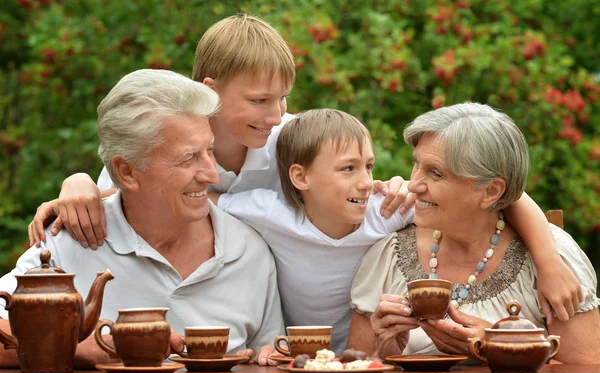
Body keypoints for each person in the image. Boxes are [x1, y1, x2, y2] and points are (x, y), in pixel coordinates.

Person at [27, 14, 412, 252]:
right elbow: (124, 195)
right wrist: (78, 186)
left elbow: (350, 184)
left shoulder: (293, 137)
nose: (276, 115)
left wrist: (389, 190)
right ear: (211, 89)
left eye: (283, 98)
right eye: (260, 100)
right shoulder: (167, 136)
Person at [0, 69, 284, 369]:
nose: (212, 175)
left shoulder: (249, 251)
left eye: (209, 151)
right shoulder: (69, 240)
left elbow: (271, 357)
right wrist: (78, 345)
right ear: (127, 172)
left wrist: (271, 361)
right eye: (188, 158)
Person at [347, 103, 600, 363]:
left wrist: (497, 350)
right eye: (417, 164)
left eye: (435, 173)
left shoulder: (550, 261)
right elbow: (357, 370)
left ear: (491, 191)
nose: (414, 184)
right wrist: (386, 349)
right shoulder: (387, 256)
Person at [208, 109, 415, 353]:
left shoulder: (385, 211)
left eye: (368, 166)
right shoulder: (270, 213)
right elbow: (205, 200)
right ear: (301, 176)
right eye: (348, 168)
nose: (366, 183)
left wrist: (410, 187)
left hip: (369, 354)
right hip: (299, 358)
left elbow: (446, 203)